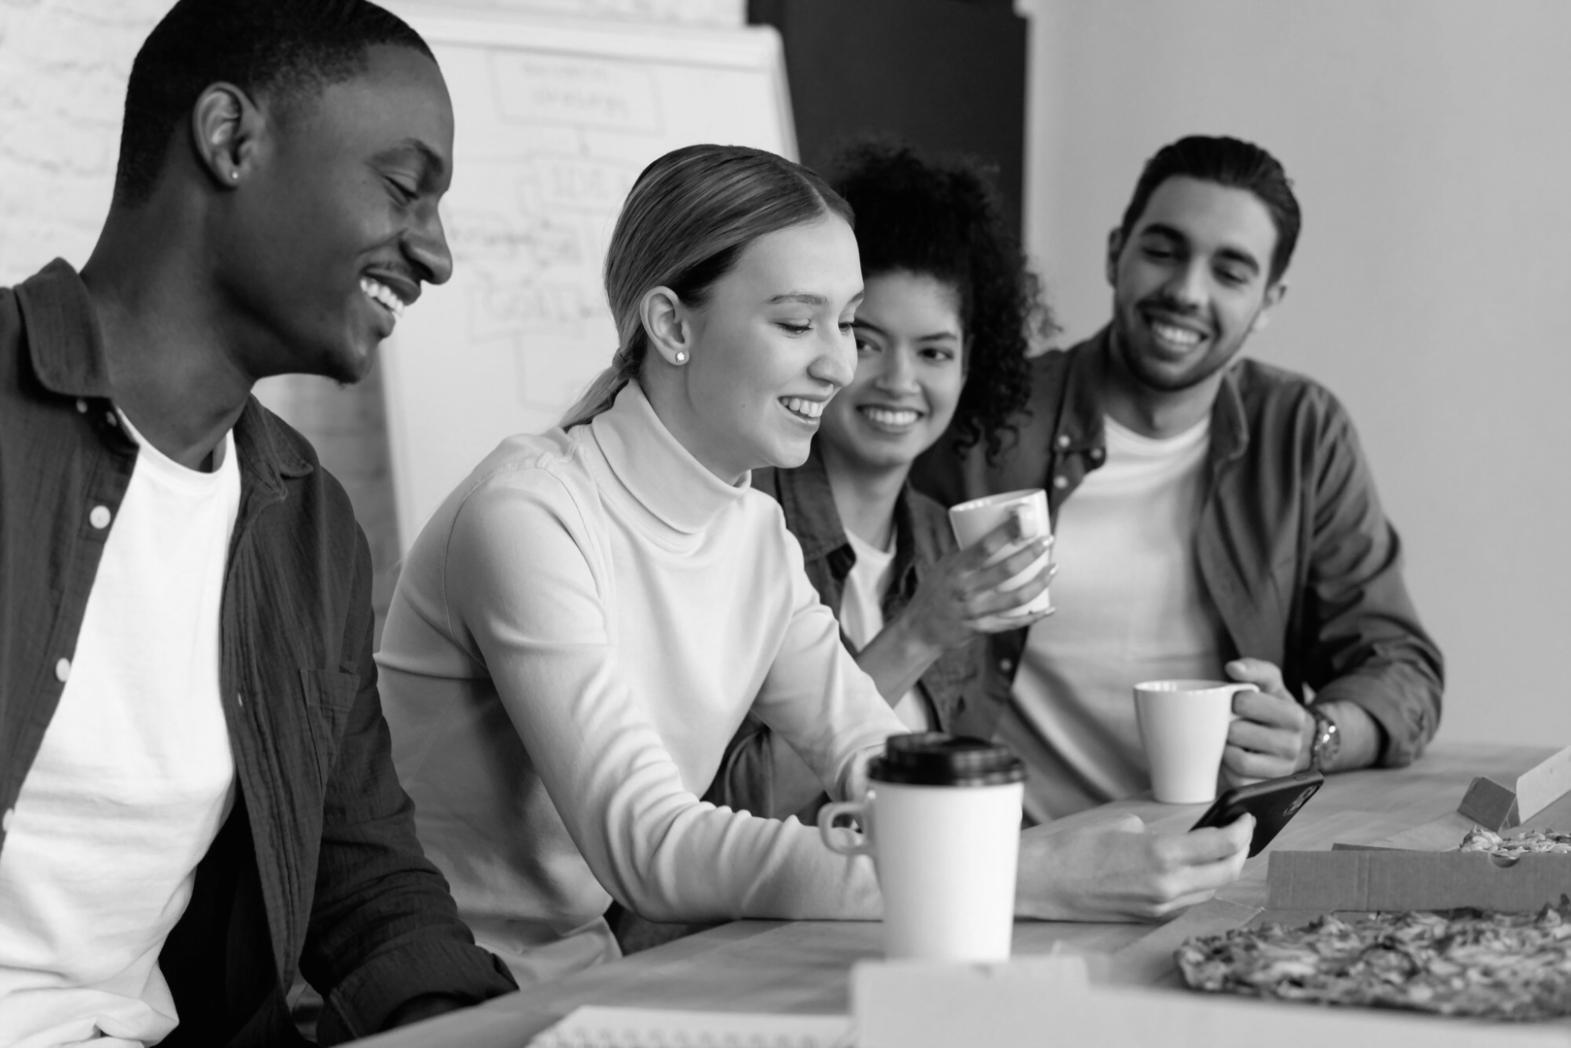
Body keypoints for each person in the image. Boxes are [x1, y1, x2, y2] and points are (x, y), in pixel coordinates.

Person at [376, 143, 1254, 986]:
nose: (837, 364)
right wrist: (1012, 874)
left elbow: (869, 751)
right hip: (440, 995)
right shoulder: (530, 514)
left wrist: (1038, 848)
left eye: (843, 322)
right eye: (799, 323)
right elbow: (649, 848)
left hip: (583, 975)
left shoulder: (751, 531)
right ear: (671, 324)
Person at [0, 2, 517, 1045]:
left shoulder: (306, 524)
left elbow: (362, 875)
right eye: (403, 187)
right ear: (231, 138)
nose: (436, 254)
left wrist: (466, 1023)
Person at [914, 134, 1445, 822]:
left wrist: (1314, 738)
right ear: (1116, 253)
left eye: (1230, 272)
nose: (1186, 292)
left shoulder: (1301, 432)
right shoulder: (992, 417)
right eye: (1163, 252)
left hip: (1220, 852)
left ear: (1269, 301)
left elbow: (1402, 668)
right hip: (1011, 851)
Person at [704, 139, 1055, 824]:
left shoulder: (942, 540)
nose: (899, 381)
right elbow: (733, 803)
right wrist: (921, 631)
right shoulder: (742, 521)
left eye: (934, 352)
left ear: (970, 367)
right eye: (865, 342)